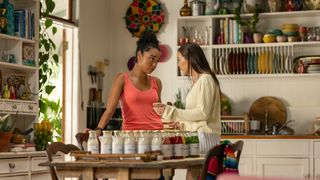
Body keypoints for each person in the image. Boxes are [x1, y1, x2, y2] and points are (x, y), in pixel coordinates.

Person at [153, 43, 221, 155]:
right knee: (192, 172)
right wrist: (182, 123)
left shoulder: (205, 80)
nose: (178, 64)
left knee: (194, 172)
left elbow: (203, 113)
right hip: (199, 136)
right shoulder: (197, 82)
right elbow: (197, 115)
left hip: (204, 137)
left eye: (179, 60)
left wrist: (170, 111)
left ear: (190, 59)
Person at [90, 31, 163, 136]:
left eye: (157, 60)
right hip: (131, 137)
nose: (154, 64)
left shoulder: (157, 82)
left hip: (157, 135)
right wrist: (98, 129)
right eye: (151, 59)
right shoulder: (122, 79)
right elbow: (110, 110)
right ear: (139, 56)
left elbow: (159, 111)